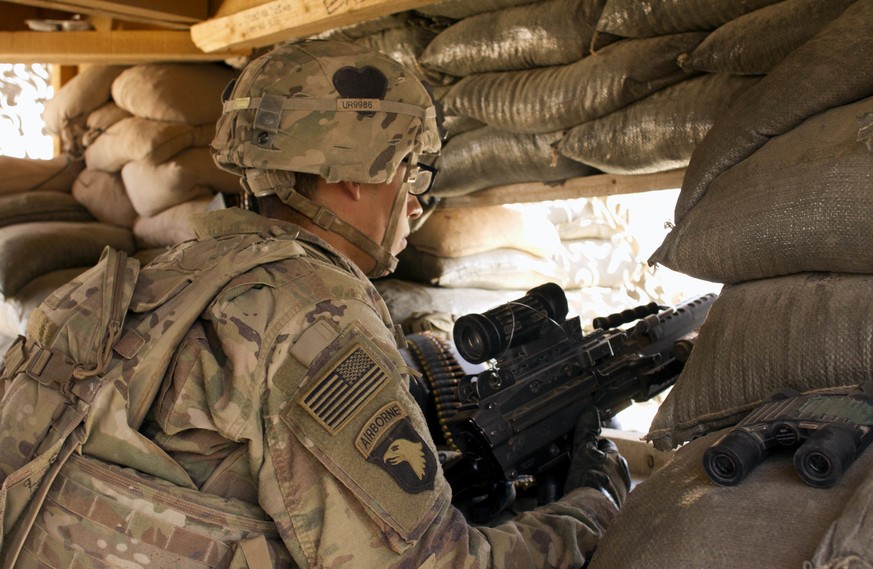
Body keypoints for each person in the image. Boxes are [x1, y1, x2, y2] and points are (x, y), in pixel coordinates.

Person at [2, 39, 629, 568]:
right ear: (354, 172)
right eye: (409, 170)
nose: (414, 202)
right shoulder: (314, 316)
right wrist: (591, 508)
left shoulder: (159, 278)